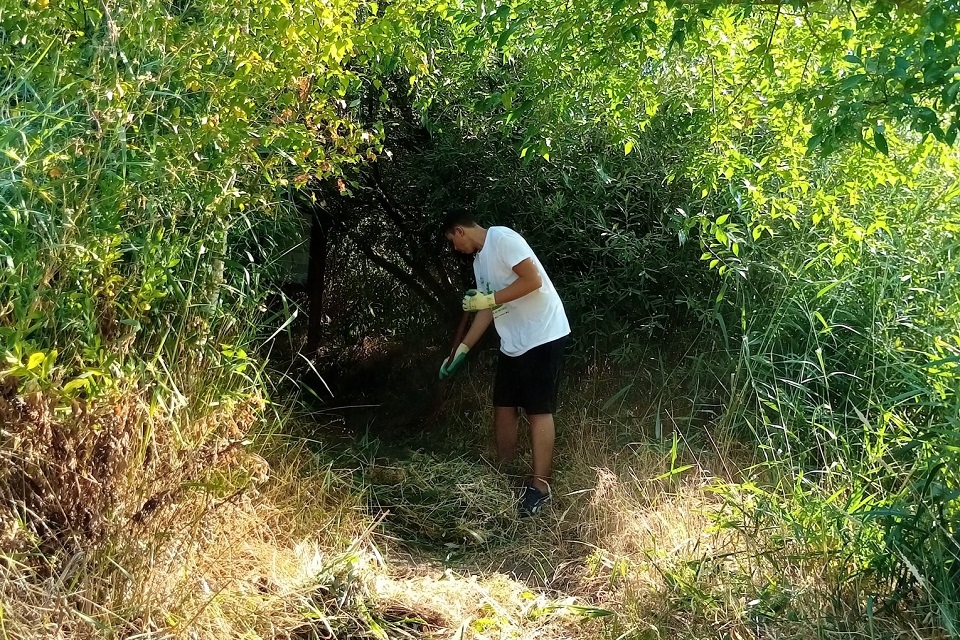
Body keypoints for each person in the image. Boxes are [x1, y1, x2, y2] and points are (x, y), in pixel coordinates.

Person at [438, 210, 570, 517]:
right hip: (513, 342)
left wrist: (488, 299)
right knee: (504, 405)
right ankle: (503, 472)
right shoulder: (479, 261)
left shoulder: (503, 239)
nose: (455, 249)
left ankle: (539, 488)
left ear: (460, 231)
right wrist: (462, 351)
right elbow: (487, 307)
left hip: (543, 334)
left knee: (539, 410)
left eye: (452, 242)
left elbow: (533, 280)